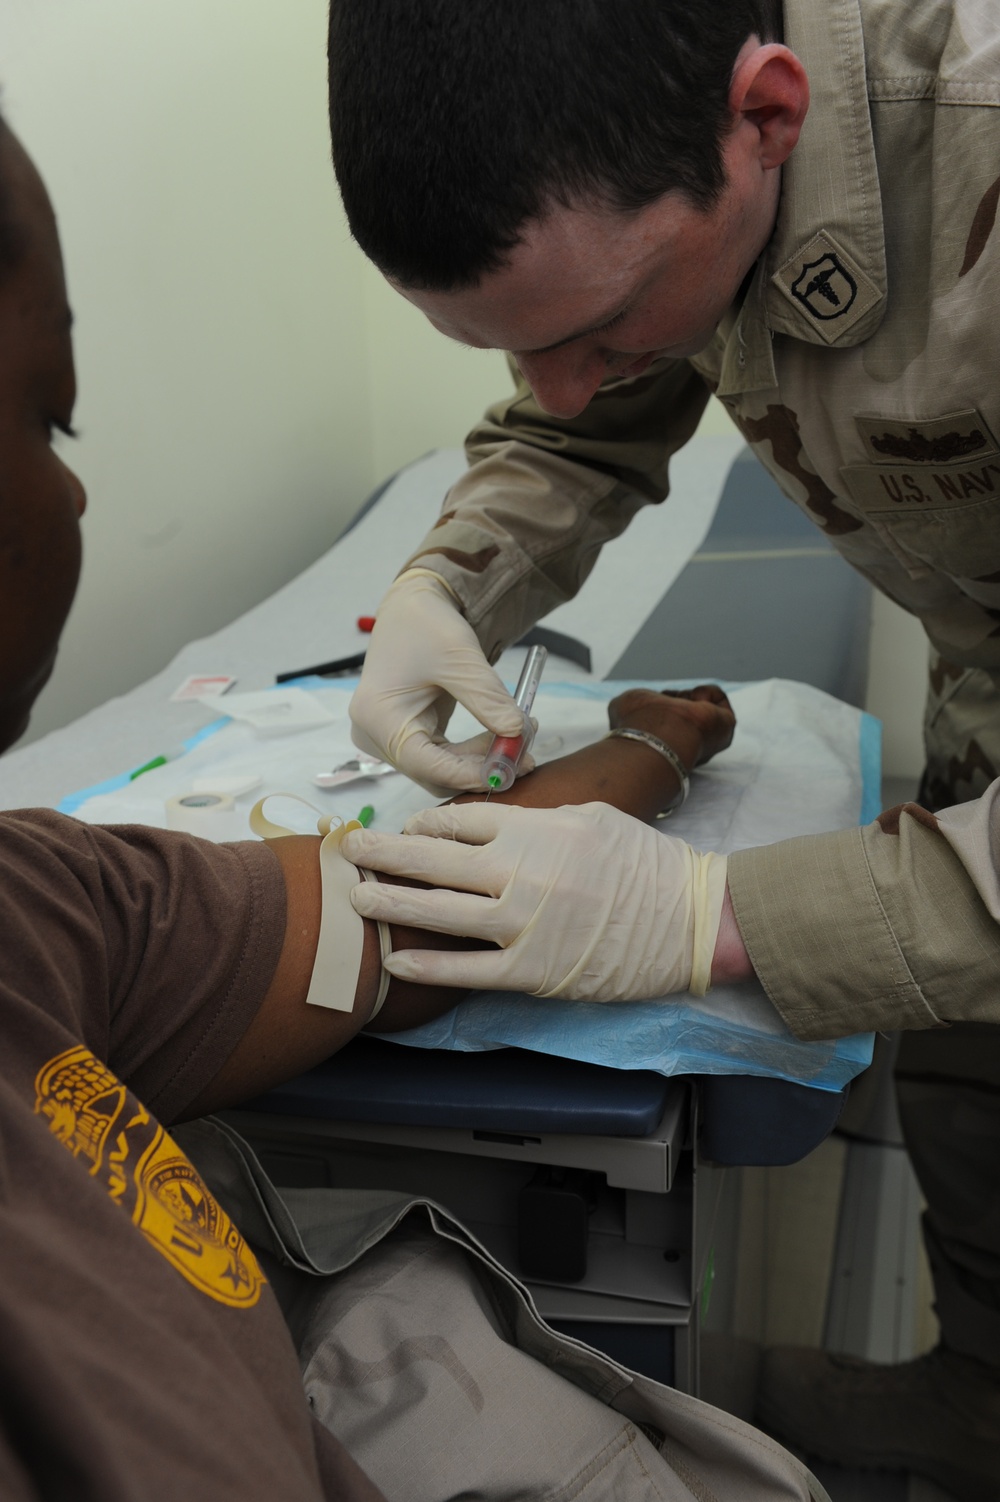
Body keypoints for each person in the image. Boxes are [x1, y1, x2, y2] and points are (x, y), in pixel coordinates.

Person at [0, 112, 830, 1501]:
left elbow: (403, 904)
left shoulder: (43, 909)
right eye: (44, 417)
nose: (76, 484)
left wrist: (654, 745)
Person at [327, 1, 1000, 1496]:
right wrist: (449, 580)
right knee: (971, 1093)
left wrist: (712, 914)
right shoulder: (663, 173)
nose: (563, 381)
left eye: (591, 332)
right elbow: (584, 423)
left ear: (767, 119)